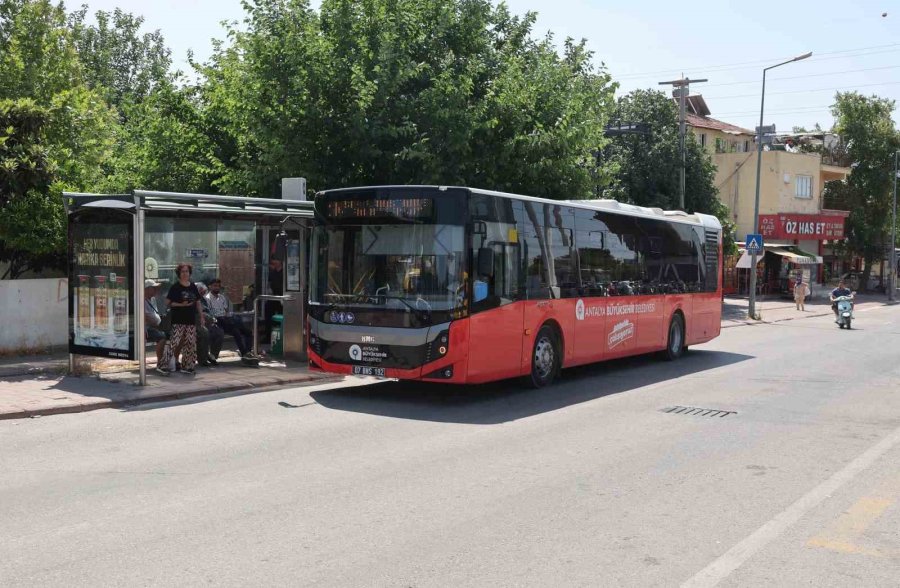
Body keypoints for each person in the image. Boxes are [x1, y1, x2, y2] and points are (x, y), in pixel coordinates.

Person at [160, 263, 204, 375]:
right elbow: (168, 303)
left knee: (190, 343)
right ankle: (162, 365)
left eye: (187, 271)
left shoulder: (193, 286)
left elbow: (198, 302)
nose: (185, 274)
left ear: (190, 273)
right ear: (179, 274)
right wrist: (181, 304)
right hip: (178, 319)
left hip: (190, 320)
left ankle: (187, 366)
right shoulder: (175, 287)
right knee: (174, 342)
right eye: (183, 272)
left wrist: (201, 316)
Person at [205, 278, 255, 358]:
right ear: (210, 287)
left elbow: (226, 310)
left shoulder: (222, 297)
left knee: (247, 332)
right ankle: (245, 353)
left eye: (218, 286)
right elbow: (210, 314)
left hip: (226, 320)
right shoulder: (207, 298)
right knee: (236, 329)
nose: (217, 288)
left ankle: (247, 352)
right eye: (214, 286)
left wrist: (227, 315)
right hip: (217, 321)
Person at [194, 283, 223, 367]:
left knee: (219, 332)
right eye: (201, 291)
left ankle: (212, 355)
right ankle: (202, 359)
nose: (203, 293)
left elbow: (209, 311)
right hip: (197, 322)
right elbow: (198, 313)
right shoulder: (194, 299)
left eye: (204, 291)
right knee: (204, 333)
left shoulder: (204, 299)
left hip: (208, 321)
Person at [143, 279, 166, 366]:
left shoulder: (152, 299)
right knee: (161, 337)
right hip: (146, 328)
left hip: (155, 325)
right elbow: (146, 317)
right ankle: (160, 362)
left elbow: (154, 313)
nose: (156, 290)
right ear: (147, 289)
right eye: (154, 288)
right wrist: (156, 323)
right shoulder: (141, 301)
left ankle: (169, 360)